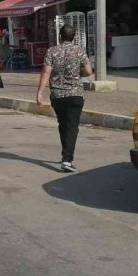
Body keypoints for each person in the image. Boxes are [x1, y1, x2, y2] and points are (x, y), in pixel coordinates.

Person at [36, 24, 93, 172]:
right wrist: (78, 73)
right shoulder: (79, 51)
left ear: (60, 37)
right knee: (72, 127)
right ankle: (67, 160)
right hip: (75, 94)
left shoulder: (52, 51)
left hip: (57, 95)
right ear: (73, 37)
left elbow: (46, 72)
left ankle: (65, 155)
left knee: (63, 124)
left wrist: (40, 92)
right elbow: (88, 71)